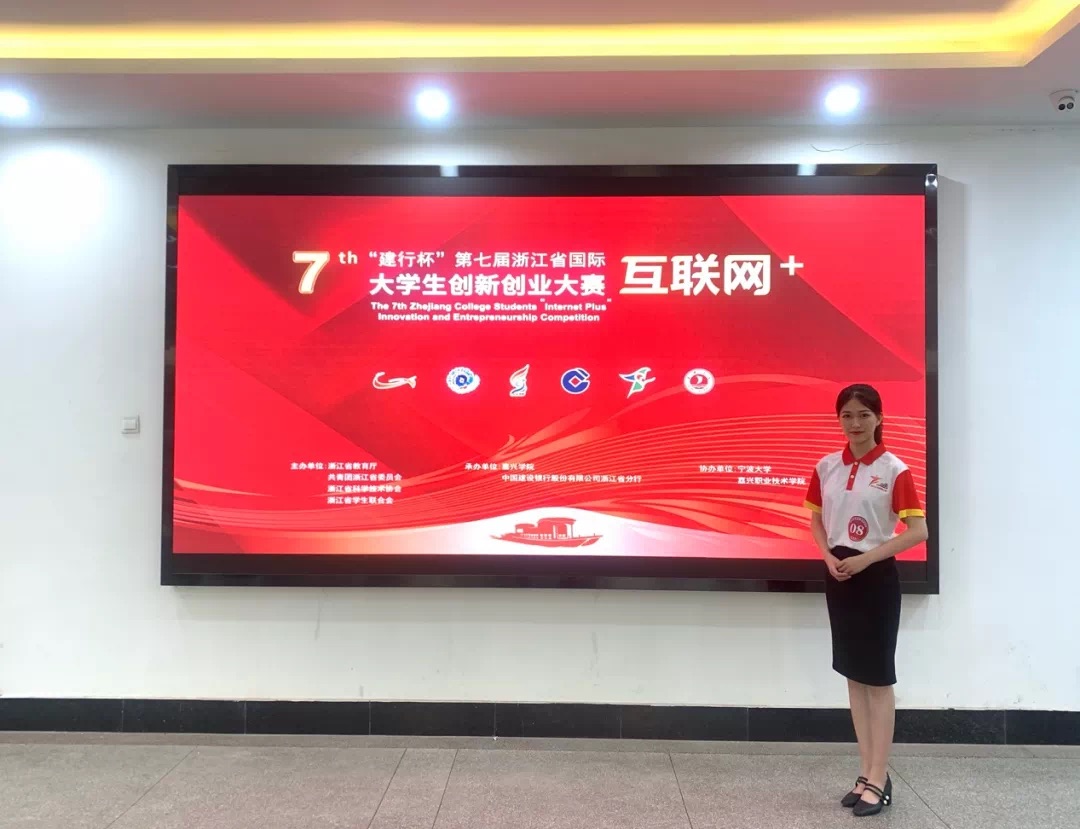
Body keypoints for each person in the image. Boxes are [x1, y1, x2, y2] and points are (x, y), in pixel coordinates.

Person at [803, 384, 928, 818]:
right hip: (839, 578)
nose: (855, 423)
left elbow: (918, 531)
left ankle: (880, 775)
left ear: (879, 418)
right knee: (854, 678)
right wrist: (828, 557)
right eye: (847, 415)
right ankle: (865, 772)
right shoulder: (826, 466)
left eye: (863, 415)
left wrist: (865, 560)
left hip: (875, 579)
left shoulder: (895, 469)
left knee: (877, 679)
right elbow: (817, 521)